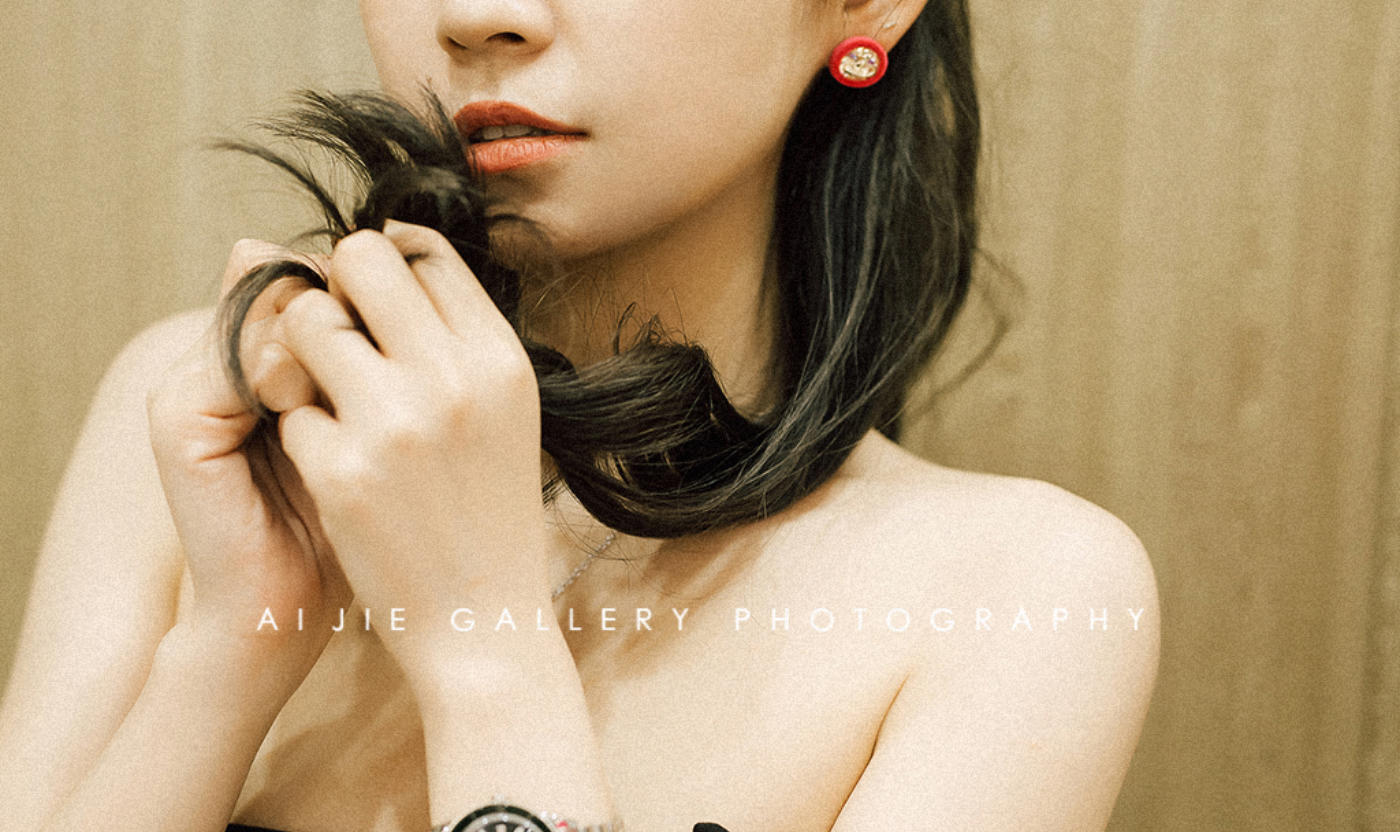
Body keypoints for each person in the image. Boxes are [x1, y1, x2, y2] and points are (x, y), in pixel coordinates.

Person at [0, 0, 1161, 830]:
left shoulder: (1015, 597)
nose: (479, 16)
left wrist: (487, 663)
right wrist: (230, 650)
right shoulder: (200, 422)